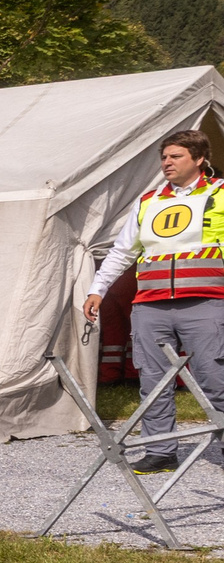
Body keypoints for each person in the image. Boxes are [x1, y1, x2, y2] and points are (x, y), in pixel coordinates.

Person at [84, 128, 224, 475]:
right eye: (164, 157)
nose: (167, 163)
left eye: (175, 156)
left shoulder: (220, 193)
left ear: (199, 158)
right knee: (153, 382)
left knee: (214, 378)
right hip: (149, 304)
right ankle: (160, 451)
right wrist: (97, 289)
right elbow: (122, 251)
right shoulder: (149, 201)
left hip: (205, 301)